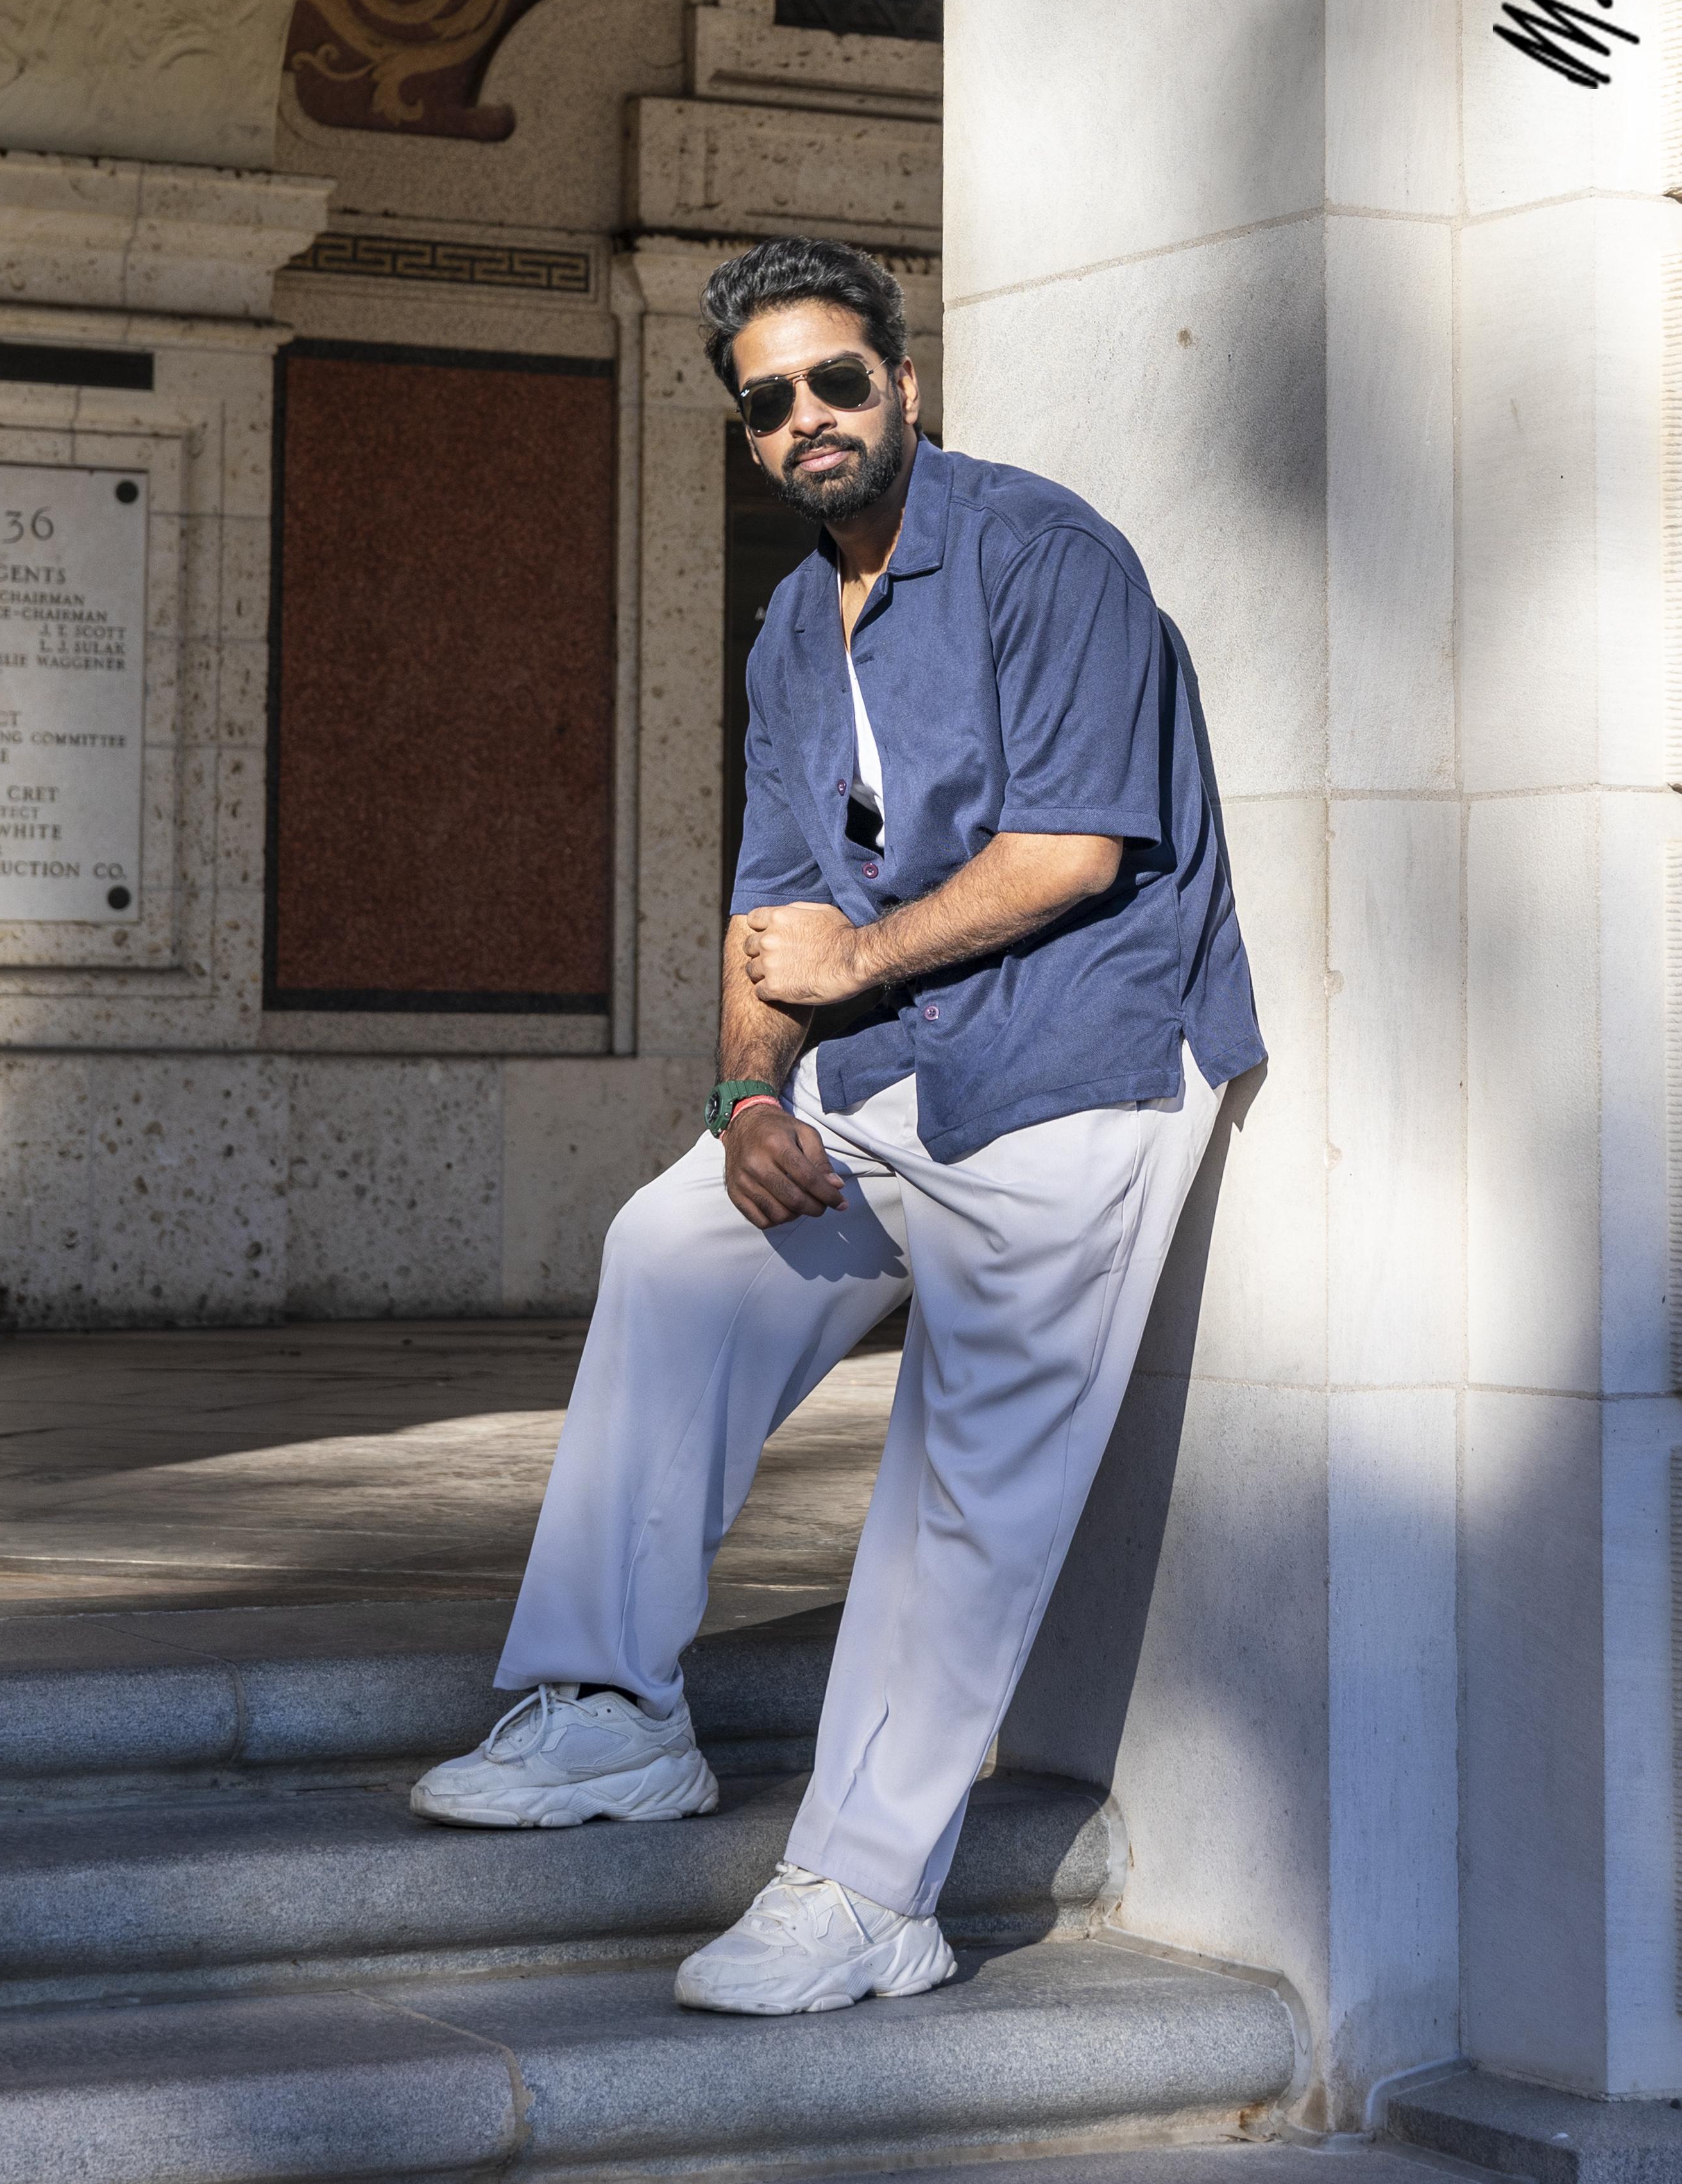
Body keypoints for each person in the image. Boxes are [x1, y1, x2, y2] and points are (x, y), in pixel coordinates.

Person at [411, 235, 1264, 2017]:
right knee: (672, 1248)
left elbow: (1074, 853)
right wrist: (743, 1098)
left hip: (1077, 1067)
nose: (807, 417)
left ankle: (870, 1891)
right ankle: (613, 1714)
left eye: (837, 380)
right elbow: (769, 904)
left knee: (964, 1469)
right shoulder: (795, 628)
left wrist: (856, 962)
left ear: (904, 385)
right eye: (768, 402)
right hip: (886, 1077)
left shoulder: (1045, 554)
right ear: (747, 435)